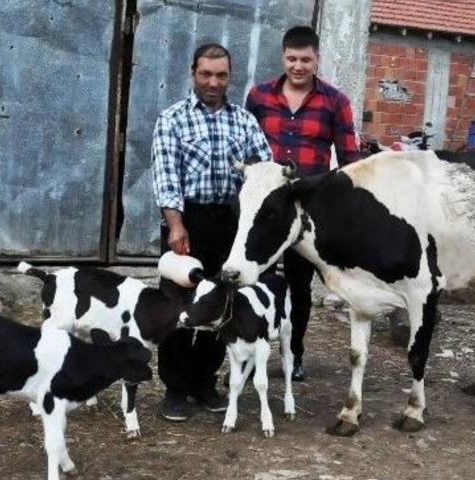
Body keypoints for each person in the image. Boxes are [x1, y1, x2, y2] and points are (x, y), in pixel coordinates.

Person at [151, 43, 273, 421]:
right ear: (193, 73)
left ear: (229, 77)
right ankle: (175, 388)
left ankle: (206, 382)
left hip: (230, 227)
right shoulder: (172, 119)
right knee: (178, 306)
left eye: (221, 75)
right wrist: (175, 226)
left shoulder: (244, 122)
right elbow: (166, 178)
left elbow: (263, 170)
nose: (213, 82)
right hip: (186, 224)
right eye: (206, 74)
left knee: (222, 306)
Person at [245, 26, 360, 381]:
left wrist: (344, 210)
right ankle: (253, 355)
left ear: (317, 60)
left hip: (306, 213)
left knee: (299, 286)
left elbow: (350, 160)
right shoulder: (259, 96)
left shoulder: (335, 101)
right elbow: (248, 149)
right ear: (283, 57)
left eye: (305, 60)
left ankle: (294, 354)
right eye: (292, 59)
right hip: (266, 212)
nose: (298, 66)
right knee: (258, 283)